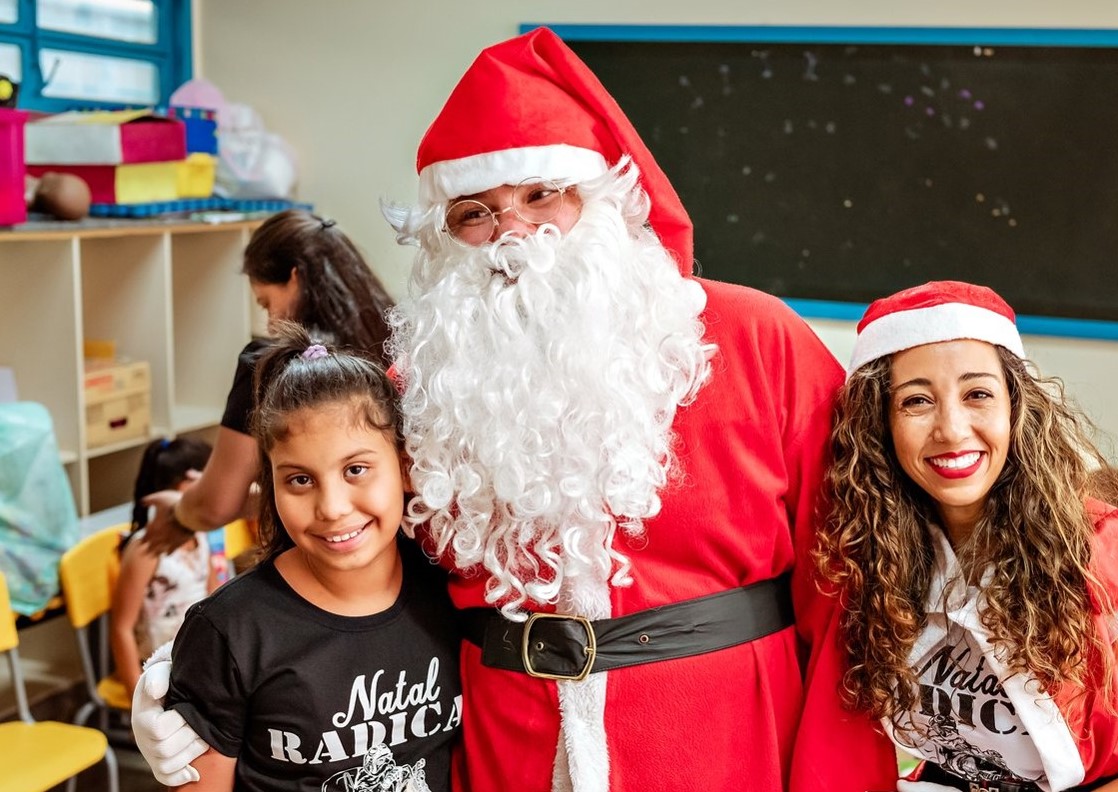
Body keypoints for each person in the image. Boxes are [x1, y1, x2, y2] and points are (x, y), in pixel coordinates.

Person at [133, 27, 898, 792]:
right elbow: (354, 571)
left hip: (729, 749)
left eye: (541, 196)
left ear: (601, 202)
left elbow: (852, 588)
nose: (512, 237)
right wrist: (201, 678)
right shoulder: (421, 388)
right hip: (506, 755)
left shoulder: (755, 340)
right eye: (475, 214)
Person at [814, 280, 1118, 791]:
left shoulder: (1100, 555)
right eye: (916, 401)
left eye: (977, 393)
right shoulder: (866, 556)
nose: (952, 429)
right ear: (880, 424)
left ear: (1016, 408)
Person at [162, 323, 461, 792]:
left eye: (356, 469)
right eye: (300, 480)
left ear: (405, 468)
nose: (332, 508)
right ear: (272, 485)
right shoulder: (231, 631)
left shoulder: (452, 589)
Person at [141, 209, 395, 555]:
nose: (272, 323)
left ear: (295, 277)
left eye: (266, 303)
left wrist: (178, 513)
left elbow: (216, 503)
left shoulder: (270, 365)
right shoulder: (397, 339)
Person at [111, 437, 218, 699]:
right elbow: (120, 629)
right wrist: (138, 702)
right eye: (201, 485)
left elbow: (216, 598)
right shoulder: (146, 549)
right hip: (162, 672)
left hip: (200, 662)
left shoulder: (198, 535)